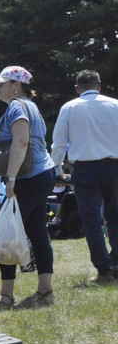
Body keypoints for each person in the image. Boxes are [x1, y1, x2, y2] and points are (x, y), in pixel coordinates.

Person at [0, 65, 56, 309]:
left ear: (16, 85)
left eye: (2, 83)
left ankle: (6, 297)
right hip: (42, 174)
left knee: (6, 233)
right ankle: (45, 292)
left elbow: (22, 141)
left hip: (28, 178)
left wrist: (11, 178)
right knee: (37, 231)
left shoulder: (17, 106)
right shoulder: (30, 105)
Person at [50, 69, 118, 284]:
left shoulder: (69, 108)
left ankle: (104, 271)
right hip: (115, 167)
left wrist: (56, 168)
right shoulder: (115, 105)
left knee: (90, 221)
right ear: (99, 85)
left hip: (85, 169)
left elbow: (59, 143)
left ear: (78, 89)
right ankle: (116, 262)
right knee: (116, 217)